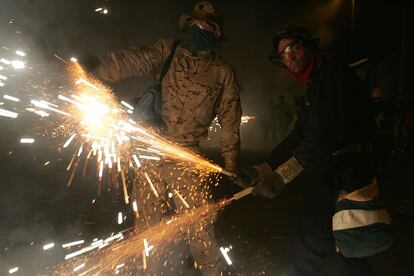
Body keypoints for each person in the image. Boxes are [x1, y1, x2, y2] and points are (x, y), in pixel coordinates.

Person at [82, 2, 242, 275]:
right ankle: (150, 270)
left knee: (199, 225)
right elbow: (136, 59)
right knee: (146, 225)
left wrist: (231, 161)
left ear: (216, 33)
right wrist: (100, 67)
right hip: (152, 150)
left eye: (206, 25)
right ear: (189, 24)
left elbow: (230, 117)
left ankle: (211, 271)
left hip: (188, 157)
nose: (198, 29)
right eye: (195, 23)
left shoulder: (222, 71)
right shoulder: (168, 51)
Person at [233, 25, 378, 275]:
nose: (289, 57)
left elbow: (321, 135)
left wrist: (282, 176)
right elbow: (301, 134)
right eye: (283, 55)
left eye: (293, 48)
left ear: (310, 46)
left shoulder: (331, 75)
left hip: (347, 172)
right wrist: (264, 168)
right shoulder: (318, 81)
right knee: (348, 245)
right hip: (343, 170)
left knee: (313, 244)